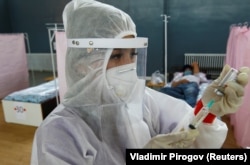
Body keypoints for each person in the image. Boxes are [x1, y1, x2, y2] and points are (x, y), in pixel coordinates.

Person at [31, 0, 250, 164]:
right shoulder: (59, 133)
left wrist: (207, 111)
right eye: (116, 56)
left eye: (133, 54)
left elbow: (187, 139)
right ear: (81, 64)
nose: (128, 66)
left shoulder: (142, 102)